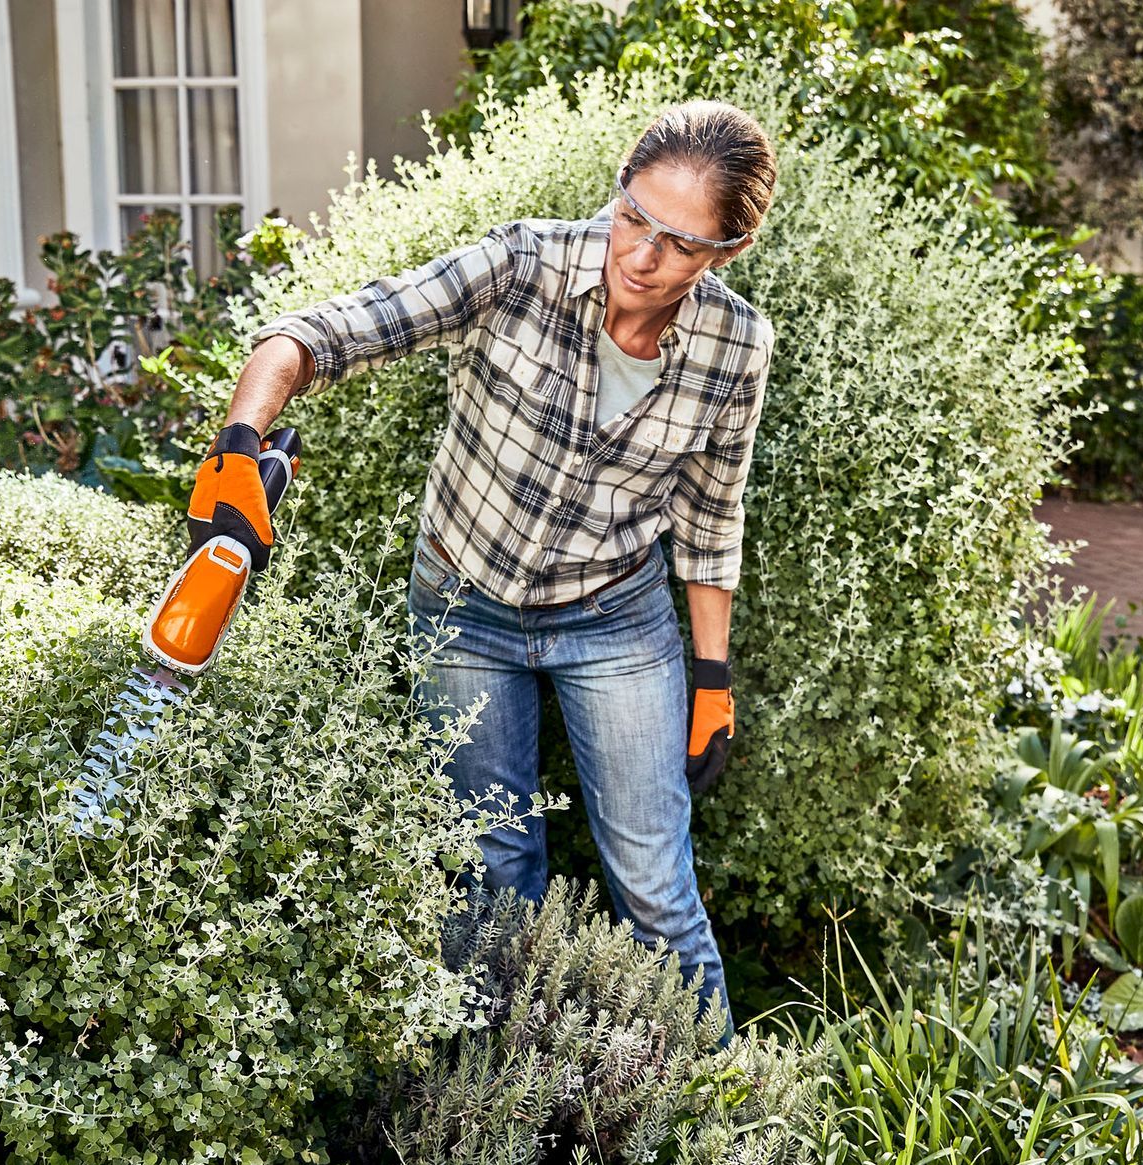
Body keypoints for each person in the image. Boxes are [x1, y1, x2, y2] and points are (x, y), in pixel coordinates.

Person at [222, 101, 776, 1034]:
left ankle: (721, 1108)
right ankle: (507, 1099)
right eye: (633, 217)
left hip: (614, 618)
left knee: (655, 888)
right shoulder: (522, 264)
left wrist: (712, 678)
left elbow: (711, 515)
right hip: (463, 610)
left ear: (727, 252)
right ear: (618, 192)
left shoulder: (736, 346)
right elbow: (323, 333)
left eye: (680, 243)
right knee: (492, 874)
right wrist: (241, 442)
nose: (641, 255)